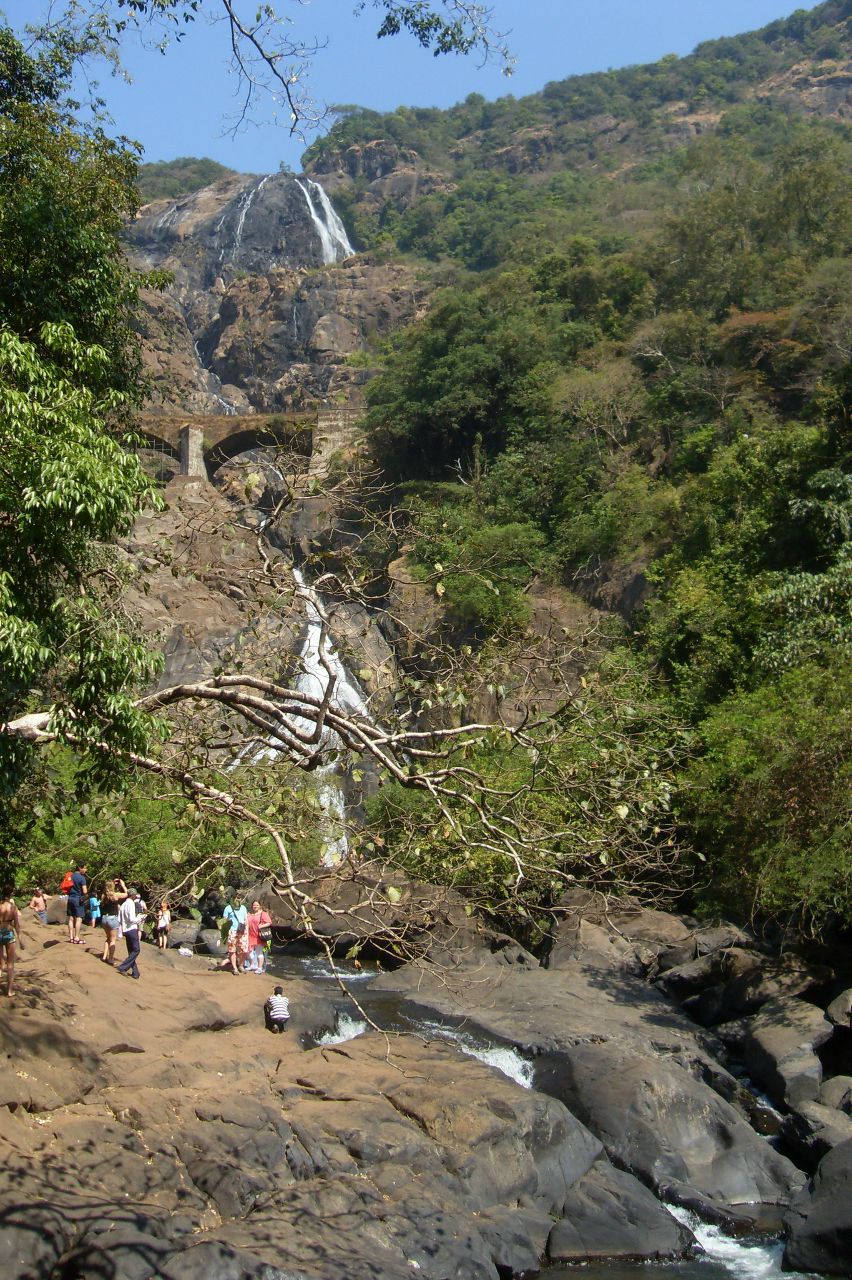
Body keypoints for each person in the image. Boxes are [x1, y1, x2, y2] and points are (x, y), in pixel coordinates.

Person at [116, 887, 144, 979]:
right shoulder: (131, 904)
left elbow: (119, 918)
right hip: (131, 929)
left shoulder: (123, 904)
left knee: (131, 951)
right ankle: (123, 967)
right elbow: (132, 919)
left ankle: (135, 973)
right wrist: (140, 917)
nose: (136, 895)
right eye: (135, 894)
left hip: (125, 930)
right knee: (136, 950)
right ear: (132, 895)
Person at [0, 890, 24, 998]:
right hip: (9, 934)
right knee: (10, 964)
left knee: (1, 964)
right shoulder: (13, 907)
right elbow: (17, 925)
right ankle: (9, 991)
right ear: (10, 895)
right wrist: (21, 941)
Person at [100, 878, 128, 965]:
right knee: (112, 940)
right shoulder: (115, 895)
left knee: (108, 938)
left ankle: (104, 956)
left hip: (104, 918)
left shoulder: (103, 896)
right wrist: (123, 885)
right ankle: (111, 958)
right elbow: (127, 894)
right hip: (112, 918)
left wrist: (111, 881)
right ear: (113, 886)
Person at [222, 898, 248, 976]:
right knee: (232, 950)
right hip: (232, 931)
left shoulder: (243, 907)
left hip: (242, 931)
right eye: (236, 897)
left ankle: (240, 965)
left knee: (244, 950)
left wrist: (246, 929)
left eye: (239, 898)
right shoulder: (228, 908)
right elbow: (224, 921)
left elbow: (246, 919)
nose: (237, 899)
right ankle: (235, 968)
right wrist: (224, 934)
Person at [246, 899, 272, 974]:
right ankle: (252, 965)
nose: (255, 906)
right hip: (249, 935)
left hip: (259, 936)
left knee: (259, 952)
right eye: (254, 905)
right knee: (248, 952)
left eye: (257, 905)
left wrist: (262, 925)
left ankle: (259, 968)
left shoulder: (263, 913)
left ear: (260, 906)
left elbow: (269, 922)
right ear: (252, 906)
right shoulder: (249, 913)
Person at [66, 862, 88, 945]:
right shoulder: (81, 878)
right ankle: (77, 937)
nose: (86, 870)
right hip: (78, 899)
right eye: (85, 868)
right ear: (80, 868)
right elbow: (85, 891)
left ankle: (71, 937)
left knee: (71, 918)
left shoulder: (70, 876)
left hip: (70, 898)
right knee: (79, 918)